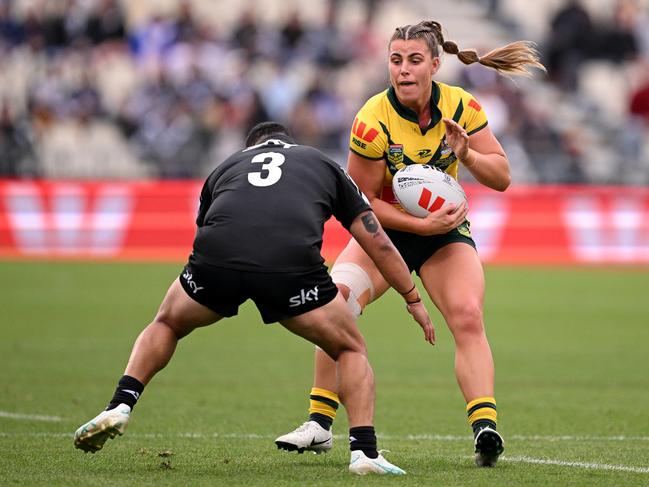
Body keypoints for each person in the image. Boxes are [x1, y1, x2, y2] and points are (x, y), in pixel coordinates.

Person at [73, 122, 435, 476]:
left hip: (219, 258)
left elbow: (210, 227)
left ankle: (121, 403)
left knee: (167, 322)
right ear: (288, 143)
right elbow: (377, 240)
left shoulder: (225, 167)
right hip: (289, 265)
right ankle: (363, 452)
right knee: (349, 348)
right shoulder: (321, 162)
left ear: (251, 147)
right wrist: (412, 297)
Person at [275, 21, 545, 467]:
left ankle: (485, 428)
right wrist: (418, 227)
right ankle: (319, 423)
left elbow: (502, 177)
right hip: (383, 236)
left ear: (435, 65)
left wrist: (468, 155)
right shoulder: (372, 118)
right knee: (336, 304)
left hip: (445, 236)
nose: (403, 70)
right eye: (396, 60)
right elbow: (357, 202)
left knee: (467, 314)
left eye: (414, 60)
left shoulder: (463, 107)